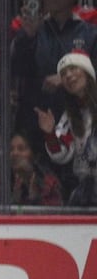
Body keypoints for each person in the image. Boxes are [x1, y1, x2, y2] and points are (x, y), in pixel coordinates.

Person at [13, 0, 97, 136]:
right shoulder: (33, 30)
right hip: (37, 122)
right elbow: (19, 70)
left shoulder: (89, 33)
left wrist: (68, 77)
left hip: (78, 125)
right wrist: (28, 36)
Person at [38, 51, 97, 206]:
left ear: (88, 72)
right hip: (87, 191)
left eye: (74, 69)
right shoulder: (70, 117)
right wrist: (50, 134)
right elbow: (61, 154)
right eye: (63, 74)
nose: (69, 76)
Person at [0, 131, 63, 206]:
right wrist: (13, 200)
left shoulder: (49, 183)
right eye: (11, 149)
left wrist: (35, 198)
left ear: (34, 155)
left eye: (21, 149)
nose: (15, 153)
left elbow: (54, 214)